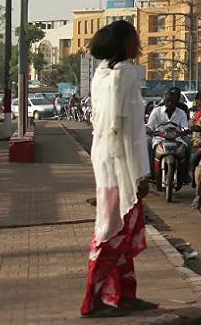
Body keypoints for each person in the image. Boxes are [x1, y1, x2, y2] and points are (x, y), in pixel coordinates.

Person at [80, 20, 158, 317]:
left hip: (104, 159)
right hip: (120, 163)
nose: (139, 43)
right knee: (111, 231)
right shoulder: (125, 74)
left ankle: (123, 295)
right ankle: (94, 298)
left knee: (121, 232)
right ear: (125, 43)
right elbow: (126, 130)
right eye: (135, 38)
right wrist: (139, 174)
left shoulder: (102, 73)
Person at [145, 87, 192, 182]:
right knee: (147, 144)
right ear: (164, 101)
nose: (170, 103)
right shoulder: (156, 111)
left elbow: (184, 127)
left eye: (172, 101)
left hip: (177, 138)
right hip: (159, 138)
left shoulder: (181, 112)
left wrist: (185, 131)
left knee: (188, 144)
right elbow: (150, 125)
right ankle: (150, 171)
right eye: (167, 101)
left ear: (176, 102)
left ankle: (185, 172)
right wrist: (148, 130)